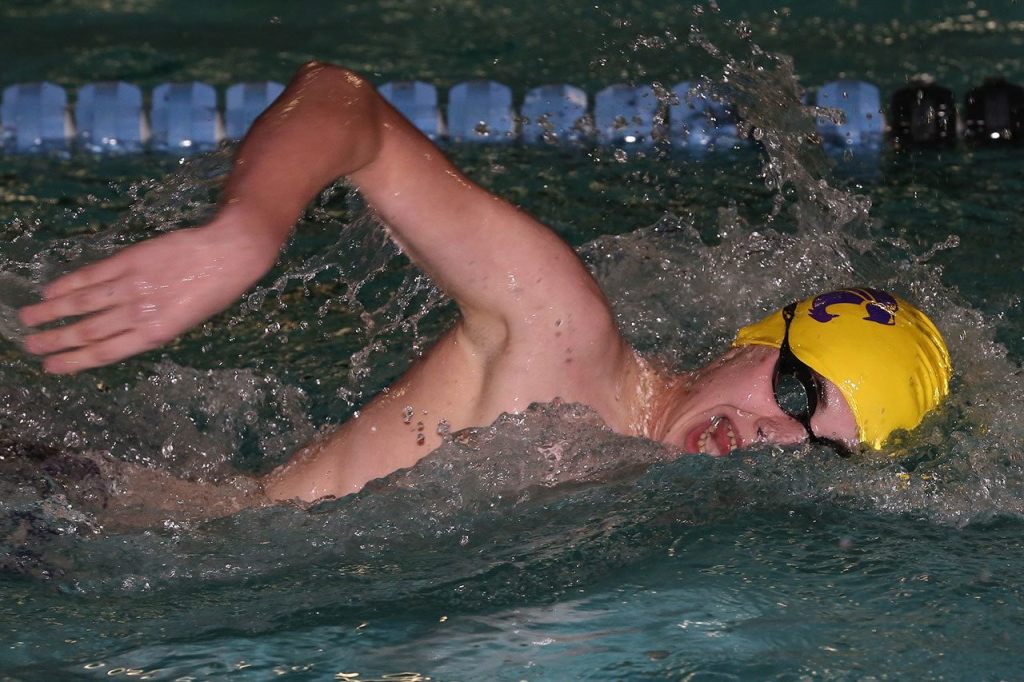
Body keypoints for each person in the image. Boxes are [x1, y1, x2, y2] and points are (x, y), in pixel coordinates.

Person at [16, 62, 952, 504]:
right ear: (755, 339)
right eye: (796, 389)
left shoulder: (649, 494)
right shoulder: (561, 332)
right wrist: (246, 232)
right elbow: (348, 107)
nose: (772, 435)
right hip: (74, 520)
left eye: (817, 446)